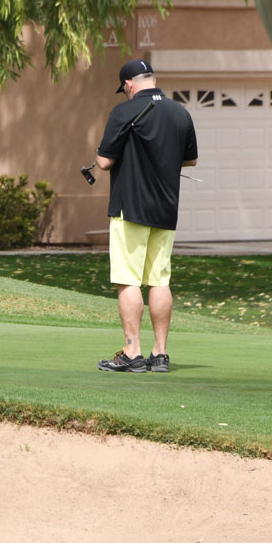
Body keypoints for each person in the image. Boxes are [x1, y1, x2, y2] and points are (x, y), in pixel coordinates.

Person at [94, 58, 198, 373]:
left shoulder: (123, 112)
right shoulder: (181, 113)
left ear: (128, 84)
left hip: (131, 208)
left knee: (128, 280)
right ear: (151, 79)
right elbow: (190, 161)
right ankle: (160, 354)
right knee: (159, 281)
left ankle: (132, 352)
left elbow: (102, 162)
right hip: (166, 209)